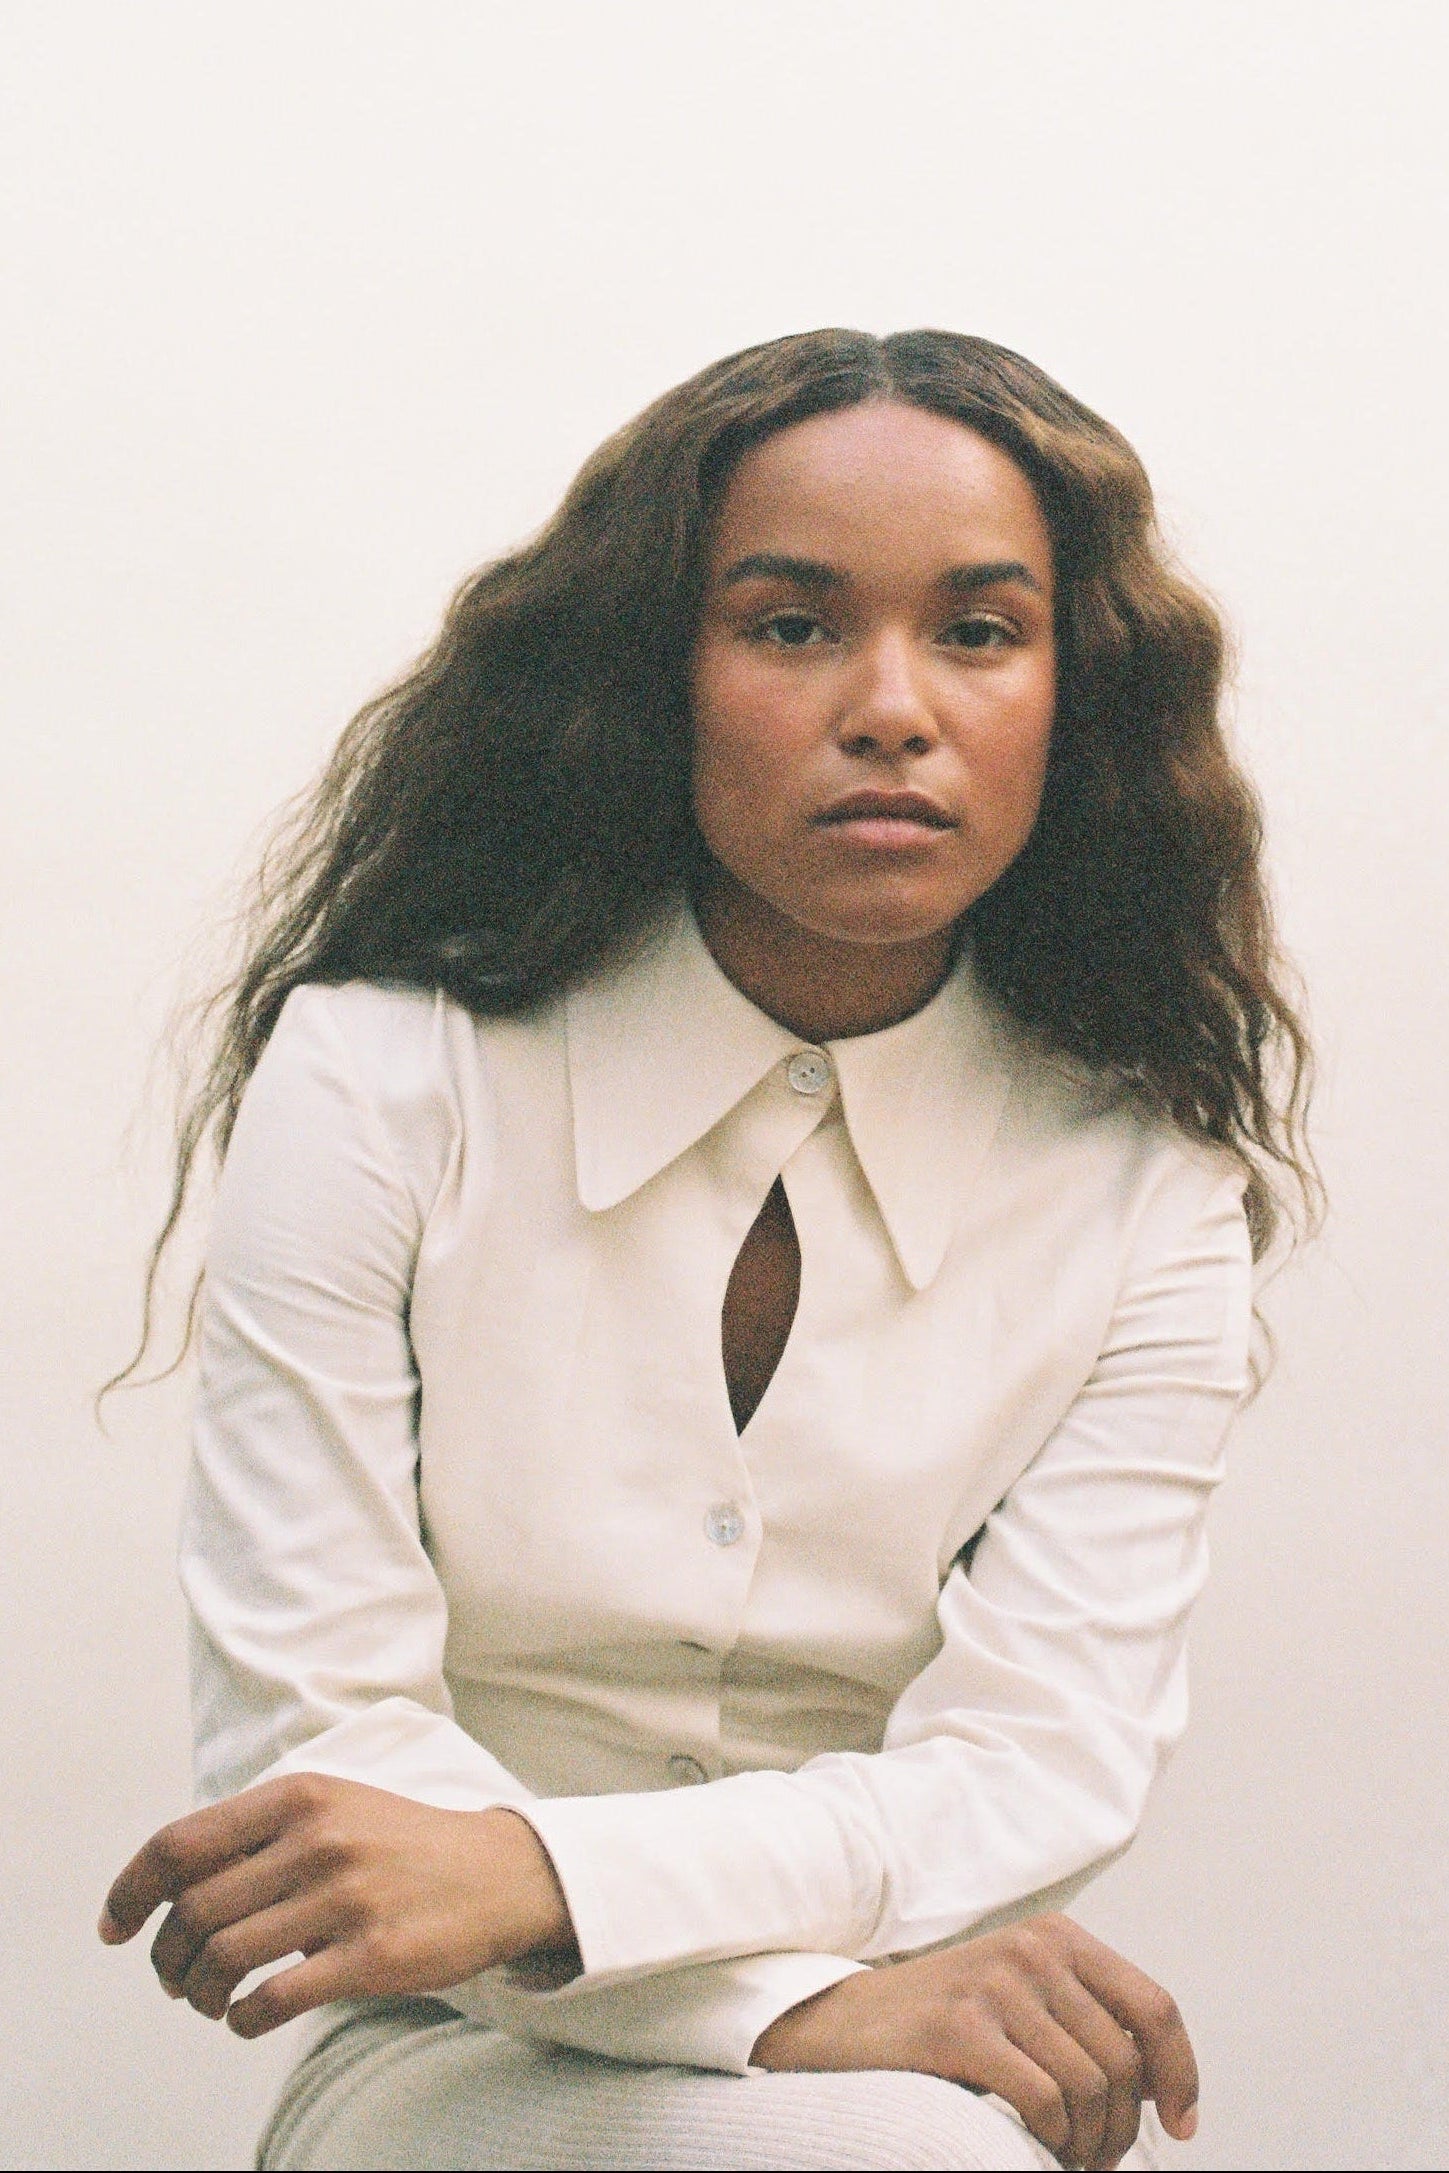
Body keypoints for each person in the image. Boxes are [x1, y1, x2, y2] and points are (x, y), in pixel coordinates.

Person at [98, 329, 1315, 2171]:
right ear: (656, 672)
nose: (891, 706)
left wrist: (530, 1872)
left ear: (1072, 696)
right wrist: (788, 2005)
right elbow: (317, 1772)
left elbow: (1035, 1765)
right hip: (448, 2045)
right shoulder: (378, 1076)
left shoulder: (1146, 1190)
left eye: (979, 632)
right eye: (791, 624)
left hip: (898, 2044)